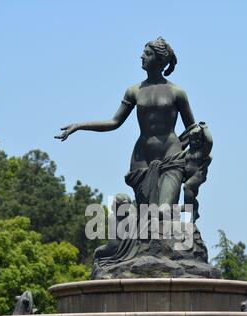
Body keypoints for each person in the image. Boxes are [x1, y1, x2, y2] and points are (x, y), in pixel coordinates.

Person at [55, 37, 200, 208]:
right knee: (145, 214)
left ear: (160, 59)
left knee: (164, 210)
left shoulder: (177, 92)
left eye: (147, 53)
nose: (141, 57)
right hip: (142, 155)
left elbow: (193, 129)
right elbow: (114, 122)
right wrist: (79, 126)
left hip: (171, 152)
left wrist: (200, 149)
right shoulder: (133, 91)